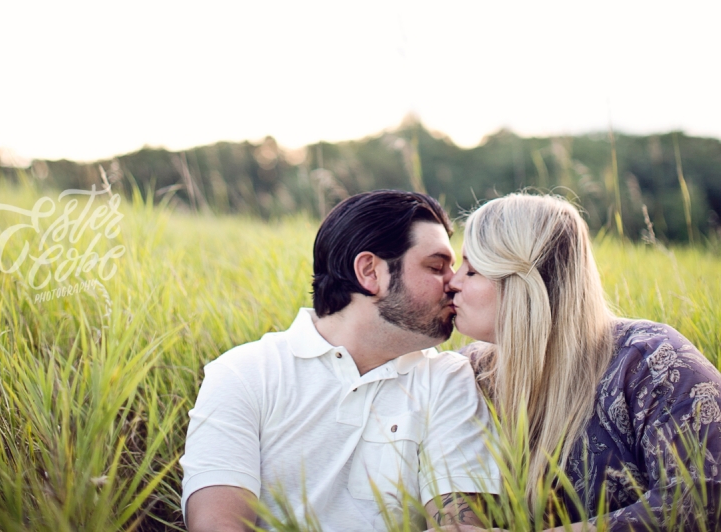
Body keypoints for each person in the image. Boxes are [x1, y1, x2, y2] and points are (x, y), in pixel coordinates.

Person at [181, 190, 500, 531]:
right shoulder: (245, 373)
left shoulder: (449, 379)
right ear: (370, 272)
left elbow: (458, 527)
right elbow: (217, 524)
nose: (453, 282)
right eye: (436, 266)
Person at [448, 192, 721, 530]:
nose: (452, 282)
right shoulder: (467, 374)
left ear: (526, 284)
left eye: (472, 270)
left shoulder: (652, 363)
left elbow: (701, 497)